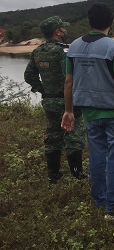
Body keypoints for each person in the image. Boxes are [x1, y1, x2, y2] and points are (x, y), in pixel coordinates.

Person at [61, 3, 114, 219]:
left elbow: (69, 82)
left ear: (90, 22)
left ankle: (99, 200)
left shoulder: (74, 47)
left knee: (97, 157)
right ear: (111, 23)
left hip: (89, 112)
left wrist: (68, 111)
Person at [24, 16, 87, 183]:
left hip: (49, 101)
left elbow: (29, 75)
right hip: (67, 101)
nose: (65, 31)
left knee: (53, 135)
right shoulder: (64, 51)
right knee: (73, 135)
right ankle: (77, 174)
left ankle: (54, 174)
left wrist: (42, 88)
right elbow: (70, 78)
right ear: (58, 31)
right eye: (62, 28)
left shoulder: (38, 51)